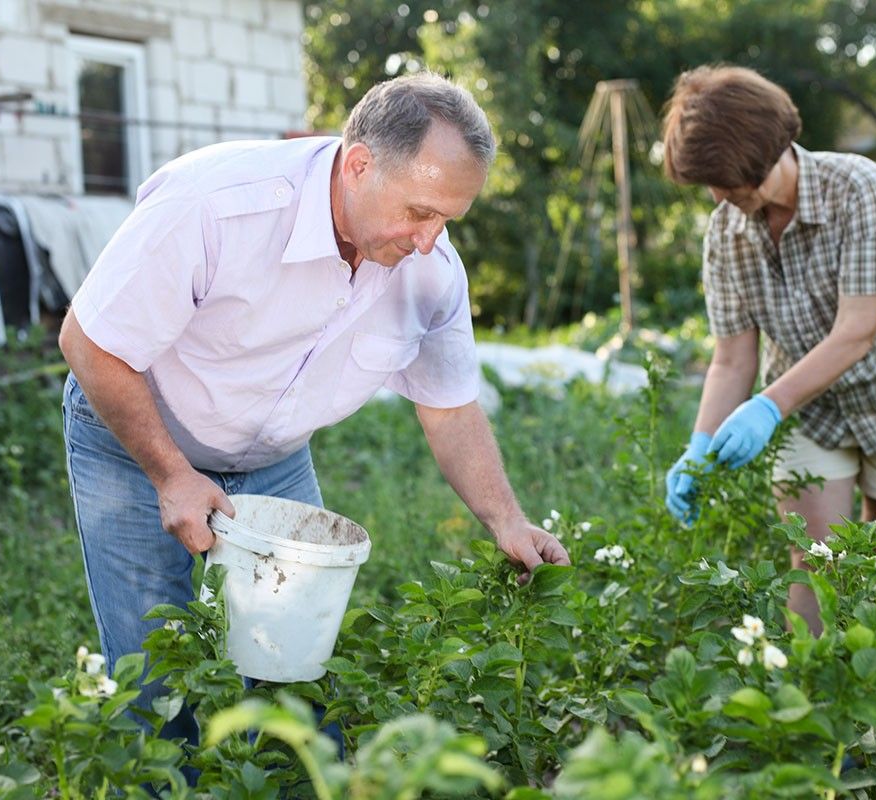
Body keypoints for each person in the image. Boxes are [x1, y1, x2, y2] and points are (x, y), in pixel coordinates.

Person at [58, 72, 570, 753]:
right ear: (358, 164)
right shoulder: (215, 205)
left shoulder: (432, 269)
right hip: (135, 441)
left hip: (272, 459)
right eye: (420, 211)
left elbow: (449, 409)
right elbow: (89, 343)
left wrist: (506, 518)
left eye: (448, 218)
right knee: (156, 674)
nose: (429, 239)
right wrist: (171, 474)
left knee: (292, 668)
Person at [660, 65, 876, 634]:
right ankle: (808, 701)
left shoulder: (863, 190)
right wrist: (700, 444)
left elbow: (857, 331)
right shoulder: (726, 231)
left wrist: (767, 406)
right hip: (810, 411)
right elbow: (732, 358)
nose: (717, 195)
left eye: (723, 180)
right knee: (818, 562)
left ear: (761, 156)